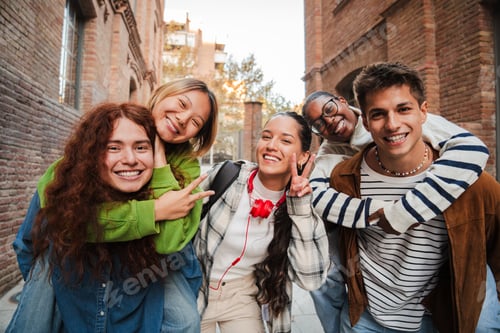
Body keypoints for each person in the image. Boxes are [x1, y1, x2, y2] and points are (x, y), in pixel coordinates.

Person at [9, 78, 220, 332]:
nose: (184, 118)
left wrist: (161, 162)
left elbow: (167, 243)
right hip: (86, 263)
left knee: (185, 318)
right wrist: (155, 211)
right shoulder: (111, 124)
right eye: (182, 103)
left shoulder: (186, 165)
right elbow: (59, 207)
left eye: (196, 121)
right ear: (162, 94)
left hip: (153, 265)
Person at [302, 87, 490, 332]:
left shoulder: (400, 121)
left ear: (341, 101)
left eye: (329, 109)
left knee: (480, 318)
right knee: (322, 270)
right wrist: (374, 212)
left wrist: (403, 213)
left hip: (442, 243)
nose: (329, 121)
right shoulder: (331, 153)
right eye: (319, 124)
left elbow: (472, 149)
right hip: (383, 266)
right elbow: (316, 194)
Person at [194, 111, 330, 333]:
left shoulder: (303, 206)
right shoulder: (227, 175)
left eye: (285, 141)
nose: (272, 145)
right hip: (193, 291)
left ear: (304, 156)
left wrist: (300, 207)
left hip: (241, 297)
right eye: (266, 137)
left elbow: (310, 280)